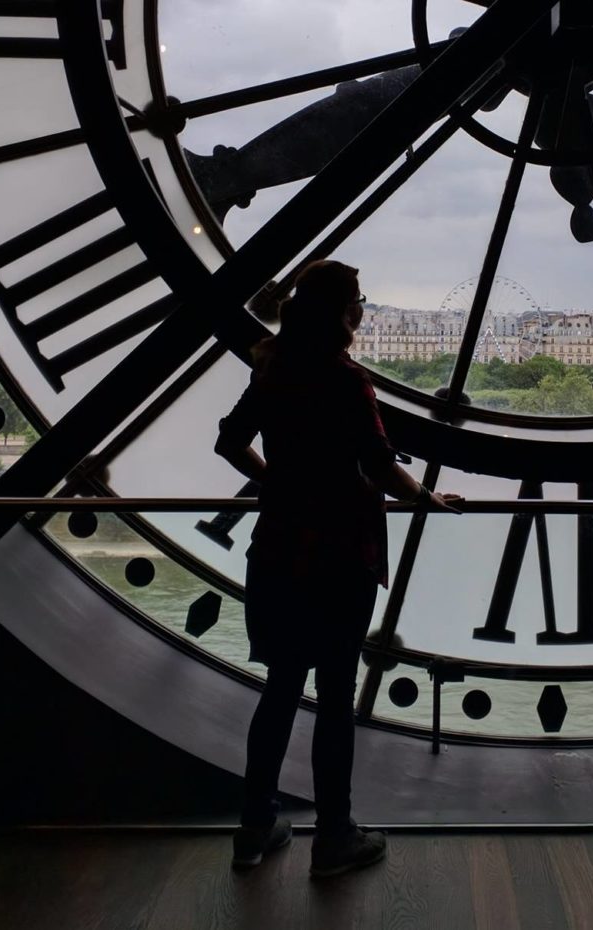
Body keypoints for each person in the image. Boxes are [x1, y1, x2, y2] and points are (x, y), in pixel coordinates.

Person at [214, 260, 461, 877]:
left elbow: (229, 440)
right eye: (356, 300)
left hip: (277, 549)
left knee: (278, 692)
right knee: (334, 699)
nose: (361, 309)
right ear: (342, 313)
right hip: (340, 556)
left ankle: (254, 828)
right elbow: (377, 464)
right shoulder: (346, 381)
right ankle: (334, 834)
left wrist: (277, 482)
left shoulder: (275, 370)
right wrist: (425, 499)